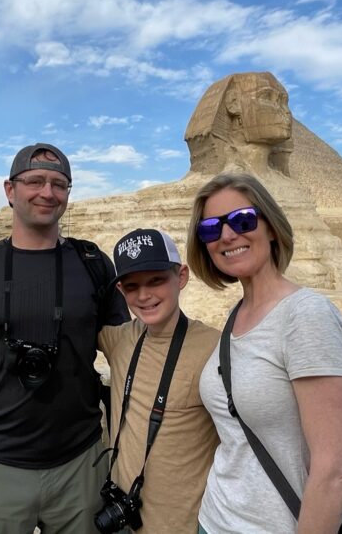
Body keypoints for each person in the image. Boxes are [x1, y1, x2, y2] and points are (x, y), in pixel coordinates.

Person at [0, 143, 129, 534]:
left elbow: (130, 353)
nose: (47, 192)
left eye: (59, 184)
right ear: (10, 190)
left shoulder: (92, 265)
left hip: (82, 465)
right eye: (34, 181)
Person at [188, 173, 342, 534]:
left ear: (270, 227)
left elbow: (336, 468)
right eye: (210, 229)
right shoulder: (237, 316)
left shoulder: (306, 316)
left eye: (243, 220)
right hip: (215, 519)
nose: (228, 235)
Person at [97, 228, 220, 533]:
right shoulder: (120, 339)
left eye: (156, 281)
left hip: (180, 525)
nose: (144, 295)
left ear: (181, 277)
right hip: (122, 517)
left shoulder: (216, 349)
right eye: (132, 286)